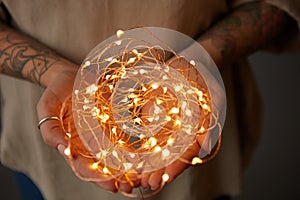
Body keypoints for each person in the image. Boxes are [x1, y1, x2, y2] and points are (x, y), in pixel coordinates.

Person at [0, 0, 299, 199]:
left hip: (201, 162)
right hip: (46, 158)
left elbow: (276, 4)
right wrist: (52, 72)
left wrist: (200, 61)